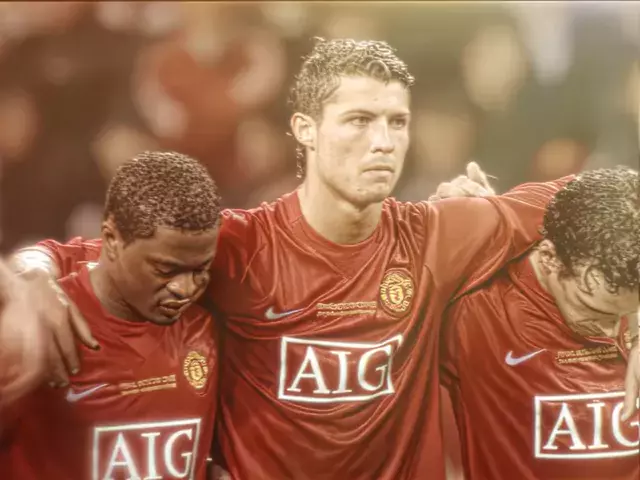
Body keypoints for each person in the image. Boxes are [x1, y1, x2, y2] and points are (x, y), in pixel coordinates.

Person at [9, 38, 579, 479]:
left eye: (397, 122)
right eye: (359, 120)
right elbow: (93, 254)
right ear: (305, 129)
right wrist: (34, 271)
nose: (384, 141)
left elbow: (591, 200)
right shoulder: (239, 244)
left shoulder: (438, 233)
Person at [0, 151, 222, 480]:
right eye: (165, 270)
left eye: (201, 269)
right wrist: (28, 274)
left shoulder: (206, 325)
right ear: (111, 240)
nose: (185, 288)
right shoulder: (40, 324)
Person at [441, 167, 639, 480]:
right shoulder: (476, 310)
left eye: (624, 314)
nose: (610, 332)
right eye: (596, 311)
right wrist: (473, 225)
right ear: (549, 258)